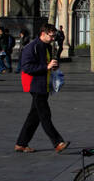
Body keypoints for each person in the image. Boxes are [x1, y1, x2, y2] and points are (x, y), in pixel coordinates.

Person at [14, 23, 68, 153]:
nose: (53, 38)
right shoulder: (31, 47)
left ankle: (21, 143)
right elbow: (26, 67)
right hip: (35, 85)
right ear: (43, 34)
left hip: (44, 84)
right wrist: (46, 67)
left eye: (54, 36)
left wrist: (53, 66)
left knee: (34, 116)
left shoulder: (47, 46)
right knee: (45, 114)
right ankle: (58, 142)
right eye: (51, 36)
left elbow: (46, 63)